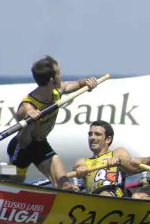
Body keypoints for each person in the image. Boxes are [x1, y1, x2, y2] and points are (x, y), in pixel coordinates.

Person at [6, 56, 98, 189]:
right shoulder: (27, 107)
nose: (62, 75)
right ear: (51, 80)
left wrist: (88, 82)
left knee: (65, 185)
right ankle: (2, 174)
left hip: (41, 145)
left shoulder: (57, 90)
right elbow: (23, 141)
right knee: (14, 182)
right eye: (59, 73)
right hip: (21, 148)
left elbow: (78, 84)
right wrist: (30, 122)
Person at [71, 120, 133, 197]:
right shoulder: (82, 162)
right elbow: (75, 171)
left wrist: (118, 161)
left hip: (116, 194)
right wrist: (79, 170)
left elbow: (132, 169)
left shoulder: (118, 152)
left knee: (105, 194)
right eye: (90, 134)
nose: (92, 137)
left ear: (108, 139)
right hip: (93, 198)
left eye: (97, 134)